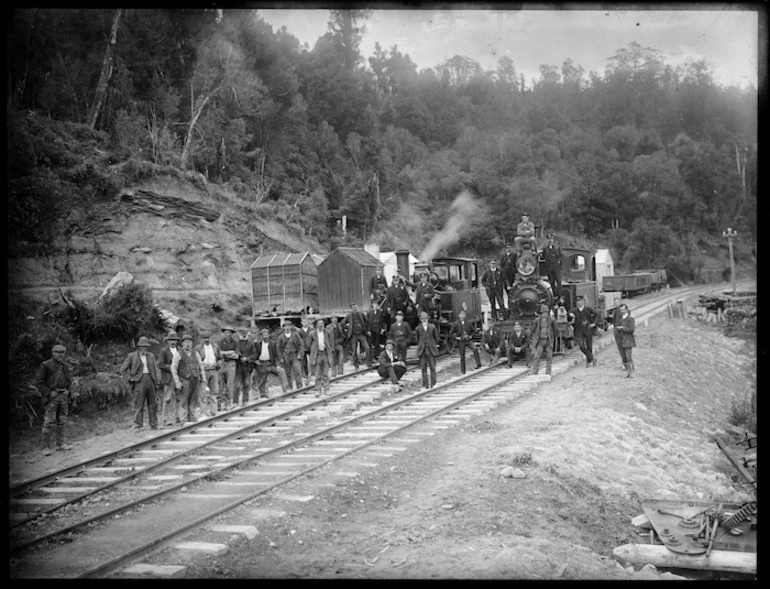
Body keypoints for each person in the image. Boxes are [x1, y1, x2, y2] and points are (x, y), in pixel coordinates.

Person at [36, 344, 75, 455]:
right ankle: (45, 447)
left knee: (62, 421)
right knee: (49, 422)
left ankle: (60, 444)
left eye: (62, 352)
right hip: (52, 398)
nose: (60, 354)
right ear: (52, 353)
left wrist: (69, 391)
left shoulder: (64, 366)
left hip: (63, 397)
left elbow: (70, 381)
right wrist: (49, 393)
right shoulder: (45, 365)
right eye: (57, 352)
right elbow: (39, 383)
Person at [120, 336, 162, 430]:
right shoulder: (132, 356)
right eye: (142, 346)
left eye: (146, 347)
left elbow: (155, 369)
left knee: (153, 404)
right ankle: (138, 424)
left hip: (150, 380)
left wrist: (157, 381)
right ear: (139, 347)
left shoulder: (150, 356)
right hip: (139, 381)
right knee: (139, 403)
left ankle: (154, 424)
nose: (144, 348)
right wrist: (130, 379)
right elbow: (123, 369)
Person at [171, 334, 206, 423]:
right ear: (182, 344)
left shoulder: (195, 353)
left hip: (195, 379)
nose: (188, 344)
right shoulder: (178, 354)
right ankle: (183, 419)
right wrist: (177, 382)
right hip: (184, 380)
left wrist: (203, 377)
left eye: (189, 342)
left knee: (193, 399)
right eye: (186, 342)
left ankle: (192, 417)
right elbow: (173, 368)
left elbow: (200, 365)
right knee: (183, 400)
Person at [252, 328, 289, 398]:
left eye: (266, 335)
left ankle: (285, 389)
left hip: (270, 364)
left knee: (281, 371)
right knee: (261, 379)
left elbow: (276, 355)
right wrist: (255, 361)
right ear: (261, 336)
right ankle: (263, 395)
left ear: (269, 335)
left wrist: (278, 365)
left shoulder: (272, 343)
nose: (265, 336)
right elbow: (254, 354)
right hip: (261, 364)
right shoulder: (257, 344)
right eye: (263, 335)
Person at [158, 330, 181, 427]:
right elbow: (161, 364)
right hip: (168, 378)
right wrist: (172, 367)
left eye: (174, 340)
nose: (173, 342)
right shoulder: (164, 351)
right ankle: (165, 419)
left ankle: (178, 417)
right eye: (171, 340)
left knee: (179, 397)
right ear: (167, 341)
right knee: (167, 398)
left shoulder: (180, 350)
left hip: (179, 378)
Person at [196, 331, 221, 416]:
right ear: (202, 339)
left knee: (214, 391)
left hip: (214, 370)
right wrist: (201, 365)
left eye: (208, 338)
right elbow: (195, 360)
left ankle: (214, 411)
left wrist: (217, 364)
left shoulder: (215, 347)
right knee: (202, 392)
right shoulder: (198, 348)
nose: (207, 340)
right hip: (204, 370)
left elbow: (221, 358)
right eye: (205, 338)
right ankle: (204, 412)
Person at [569, 295, 599, 367]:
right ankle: (592, 358)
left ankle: (589, 362)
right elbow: (568, 316)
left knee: (589, 346)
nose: (579, 303)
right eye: (577, 302)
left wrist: (594, 324)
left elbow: (597, 314)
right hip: (579, 331)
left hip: (588, 329)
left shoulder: (588, 309)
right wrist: (570, 316)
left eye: (580, 301)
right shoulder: (574, 310)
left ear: (583, 302)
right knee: (581, 346)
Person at [449, 309, 481, 374]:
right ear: (459, 316)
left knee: (475, 349)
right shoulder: (456, 323)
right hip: (461, 341)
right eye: (461, 315)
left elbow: (473, 331)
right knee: (462, 356)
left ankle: (479, 364)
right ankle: (463, 371)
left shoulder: (468, 323)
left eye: (463, 315)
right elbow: (451, 333)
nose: (462, 316)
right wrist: (457, 338)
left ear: (465, 316)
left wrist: (471, 336)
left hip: (468, 340)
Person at [308, 318, 334, 396]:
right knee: (318, 374)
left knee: (325, 373)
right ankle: (318, 390)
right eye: (319, 324)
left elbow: (331, 343)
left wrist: (330, 353)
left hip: (325, 354)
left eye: (322, 324)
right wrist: (312, 354)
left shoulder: (327, 333)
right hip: (317, 355)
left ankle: (327, 389)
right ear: (316, 325)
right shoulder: (312, 334)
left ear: (324, 325)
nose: (320, 325)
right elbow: (308, 345)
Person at [276, 321, 305, 390]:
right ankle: (290, 388)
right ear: (283, 328)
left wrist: (300, 354)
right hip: (286, 356)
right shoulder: (280, 337)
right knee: (287, 373)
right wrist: (281, 357)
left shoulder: (295, 335)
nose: (287, 328)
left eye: (289, 326)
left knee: (297, 371)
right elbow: (278, 348)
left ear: (291, 327)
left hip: (295, 355)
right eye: (286, 326)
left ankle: (299, 387)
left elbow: (301, 344)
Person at [341, 302, 371, 369]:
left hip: (361, 334)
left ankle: (368, 363)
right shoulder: (349, 316)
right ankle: (356, 365)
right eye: (353, 307)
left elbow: (367, 322)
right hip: (354, 335)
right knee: (354, 351)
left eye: (356, 307)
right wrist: (349, 328)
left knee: (367, 348)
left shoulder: (361, 314)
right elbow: (342, 323)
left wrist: (367, 330)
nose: (355, 308)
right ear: (351, 309)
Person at [415, 311, 439, 389]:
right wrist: (421, 345)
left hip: (431, 349)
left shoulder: (432, 327)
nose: (424, 320)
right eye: (422, 319)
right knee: (423, 368)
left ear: (428, 319)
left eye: (425, 318)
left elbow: (436, 338)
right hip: (422, 350)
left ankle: (434, 384)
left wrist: (432, 344)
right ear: (420, 320)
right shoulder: (418, 329)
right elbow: (417, 339)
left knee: (432, 367)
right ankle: (425, 385)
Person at [530, 304, 556, 375]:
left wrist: (552, 337)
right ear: (541, 313)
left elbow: (555, 330)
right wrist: (533, 337)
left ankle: (548, 372)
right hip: (540, 341)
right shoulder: (537, 320)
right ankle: (534, 371)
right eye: (544, 312)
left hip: (548, 340)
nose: (545, 314)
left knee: (549, 357)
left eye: (546, 312)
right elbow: (533, 329)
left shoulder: (552, 320)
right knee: (537, 356)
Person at [218, 326, 239, 411]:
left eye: (229, 332)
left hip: (231, 364)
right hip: (222, 363)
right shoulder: (220, 342)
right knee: (220, 384)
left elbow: (237, 355)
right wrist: (230, 352)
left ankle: (228, 403)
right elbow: (218, 353)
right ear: (224, 333)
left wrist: (225, 353)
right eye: (226, 332)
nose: (228, 334)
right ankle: (219, 404)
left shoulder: (235, 342)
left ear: (232, 334)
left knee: (229, 384)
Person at [615, 304, 637, 378]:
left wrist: (622, 328)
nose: (622, 311)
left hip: (628, 341)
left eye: (623, 309)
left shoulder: (630, 319)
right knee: (623, 357)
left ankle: (631, 372)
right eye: (620, 310)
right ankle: (628, 372)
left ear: (626, 310)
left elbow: (632, 329)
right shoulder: (620, 319)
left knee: (628, 357)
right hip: (620, 341)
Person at [234, 328, 254, 406]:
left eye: (245, 334)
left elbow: (254, 354)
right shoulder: (236, 343)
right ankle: (235, 402)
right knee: (237, 385)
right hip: (238, 366)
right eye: (242, 334)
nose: (244, 335)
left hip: (247, 366)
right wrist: (239, 355)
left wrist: (247, 359)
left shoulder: (251, 343)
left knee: (246, 383)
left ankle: (245, 401)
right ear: (239, 334)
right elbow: (235, 351)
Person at [542, 233, 564, 299]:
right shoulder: (545, 249)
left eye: (551, 239)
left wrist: (559, 261)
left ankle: (559, 294)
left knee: (558, 281)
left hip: (556, 267)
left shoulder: (557, 248)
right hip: (549, 267)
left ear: (553, 240)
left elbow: (562, 256)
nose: (550, 241)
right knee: (551, 282)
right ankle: (554, 294)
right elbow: (543, 257)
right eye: (549, 240)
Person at [500, 243, 517, 309]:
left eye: (509, 248)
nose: (508, 249)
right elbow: (502, 265)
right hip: (505, 273)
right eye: (507, 248)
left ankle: (512, 302)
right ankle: (509, 303)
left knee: (512, 288)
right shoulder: (503, 256)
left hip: (512, 273)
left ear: (511, 248)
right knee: (507, 287)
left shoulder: (514, 255)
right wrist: (503, 271)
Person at [298, 315, 313, 386]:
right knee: (303, 364)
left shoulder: (311, 330)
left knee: (312, 363)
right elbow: (299, 341)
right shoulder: (299, 331)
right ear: (301, 323)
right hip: (303, 349)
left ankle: (311, 376)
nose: (305, 323)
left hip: (311, 348)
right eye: (303, 322)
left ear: (308, 322)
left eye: (306, 321)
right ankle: (305, 377)